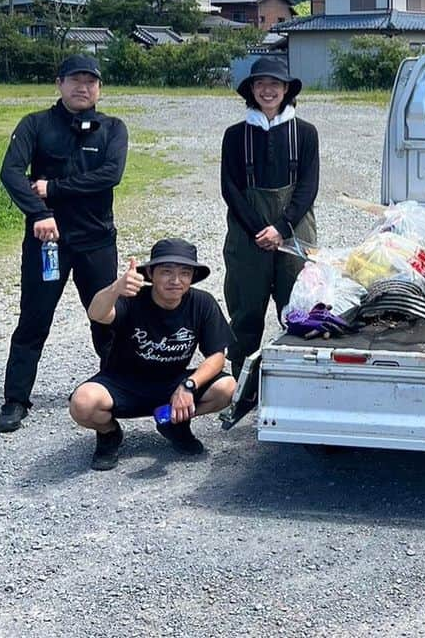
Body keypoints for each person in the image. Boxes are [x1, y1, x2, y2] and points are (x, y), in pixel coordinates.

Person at [0, 54, 129, 433]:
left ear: (100, 88)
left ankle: (118, 389)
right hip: (47, 243)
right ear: (60, 83)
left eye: (91, 81)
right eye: (75, 80)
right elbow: (11, 173)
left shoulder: (112, 129)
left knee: (107, 319)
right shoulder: (35, 125)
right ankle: (15, 399)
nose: (83, 87)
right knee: (34, 320)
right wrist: (39, 212)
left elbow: (110, 175)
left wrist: (53, 188)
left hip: (96, 241)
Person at [69, 239, 235, 470]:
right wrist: (116, 288)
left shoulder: (201, 302)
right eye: (167, 272)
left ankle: (174, 422)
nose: (176, 281)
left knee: (228, 388)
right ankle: (109, 434)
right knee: (82, 403)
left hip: (172, 383)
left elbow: (216, 355)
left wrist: (188, 385)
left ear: (192, 276)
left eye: (184, 273)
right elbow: (97, 313)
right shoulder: (132, 299)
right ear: (151, 273)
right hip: (122, 382)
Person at [220, 56, 319, 377]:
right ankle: (242, 383)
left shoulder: (305, 133)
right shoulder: (235, 135)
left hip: (294, 232)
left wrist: (281, 226)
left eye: (275, 84)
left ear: (286, 89)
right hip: (248, 236)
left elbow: (308, 186)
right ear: (251, 90)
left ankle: (294, 379)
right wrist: (258, 229)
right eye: (260, 84)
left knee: (298, 307)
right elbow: (230, 189)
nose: (267, 90)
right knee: (246, 309)